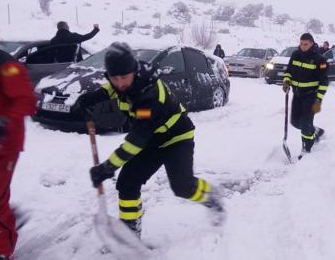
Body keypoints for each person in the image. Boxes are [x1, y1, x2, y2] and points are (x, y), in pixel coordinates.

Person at [74, 42, 225, 237]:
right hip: (152, 140)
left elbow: (136, 140)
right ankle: (130, 231)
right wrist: (92, 98)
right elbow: (113, 89)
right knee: (127, 183)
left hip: (176, 137)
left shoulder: (149, 95)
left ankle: (210, 196)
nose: (119, 83)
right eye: (114, 78)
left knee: (182, 186)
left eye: (123, 78)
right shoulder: (126, 80)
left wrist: (108, 167)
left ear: (134, 72)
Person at [0, 21, 37, 260]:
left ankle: (0, 251)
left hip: (1, 146)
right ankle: (8, 215)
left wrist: (0, 125)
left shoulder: (4, 65)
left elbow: (27, 101)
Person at [282, 33, 328, 159]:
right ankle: (316, 131)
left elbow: (324, 82)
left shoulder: (320, 60)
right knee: (295, 122)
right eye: (301, 44)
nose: (303, 46)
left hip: (311, 96)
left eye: (306, 44)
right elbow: (289, 71)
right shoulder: (295, 55)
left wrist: (318, 100)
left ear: (311, 43)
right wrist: (286, 81)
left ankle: (306, 149)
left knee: (306, 124)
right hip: (297, 94)